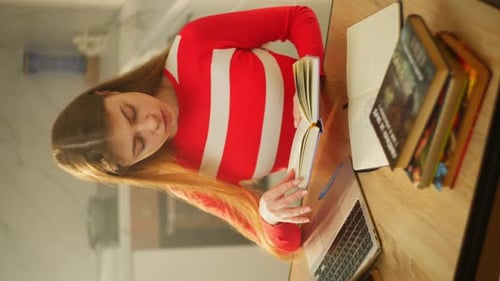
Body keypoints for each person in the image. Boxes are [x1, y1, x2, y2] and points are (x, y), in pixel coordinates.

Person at [51, 5, 324, 259]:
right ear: (131, 165)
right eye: (138, 143)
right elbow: (290, 245)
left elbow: (297, 18)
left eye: (129, 113)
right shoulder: (187, 180)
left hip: (347, 78)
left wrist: (310, 77)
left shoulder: (194, 43)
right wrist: (269, 216)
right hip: (337, 162)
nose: (151, 124)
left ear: (110, 93)